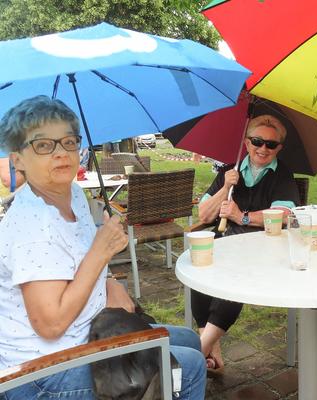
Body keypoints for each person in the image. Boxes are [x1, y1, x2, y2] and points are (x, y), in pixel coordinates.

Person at [0, 96, 206, 399]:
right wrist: (101, 251)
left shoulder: (71, 193)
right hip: (41, 374)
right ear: (17, 159)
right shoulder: (33, 226)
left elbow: (78, 264)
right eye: (44, 145)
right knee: (190, 366)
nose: (61, 153)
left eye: (69, 142)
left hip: (89, 330)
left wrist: (110, 283)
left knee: (189, 338)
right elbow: (50, 324)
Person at [193, 114, 300, 371]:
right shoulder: (229, 171)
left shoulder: (282, 175)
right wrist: (224, 188)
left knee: (233, 276)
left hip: (261, 246)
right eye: (257, 141)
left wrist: (241, 216)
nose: (263, 148)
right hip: (224, 241)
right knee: (200, 268)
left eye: (271, 144)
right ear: (246, 142)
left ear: (279, 148)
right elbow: (204, 215)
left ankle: (197, 355)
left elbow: (285, 215)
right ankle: (211, 346)